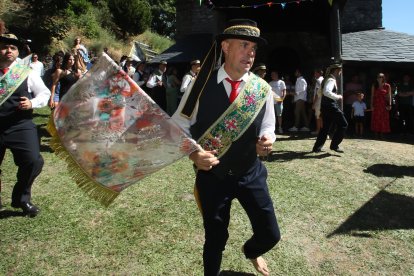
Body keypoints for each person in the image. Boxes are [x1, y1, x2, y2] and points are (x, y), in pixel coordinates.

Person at [172, 19, 280, 276]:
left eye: (253, 48)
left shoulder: (261, 89)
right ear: (226, 47)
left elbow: (268, 125)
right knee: (215, 239)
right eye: (244, 45)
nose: (250, 53)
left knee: (270, 234)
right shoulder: (199, 85)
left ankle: (252, 251)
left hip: (250, 172)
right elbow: (177, 126)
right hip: (213, 177)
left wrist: (267, 139)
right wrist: (194, 153)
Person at [0, 34, 51, 216]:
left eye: (13, 48)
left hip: (19, 124)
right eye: (5, 47)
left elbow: (44, 94)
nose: (8, 51)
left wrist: (32, 103)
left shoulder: (26, 72)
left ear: (18, 52)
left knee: (33, 161)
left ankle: (22, 198)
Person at [312, 61, 347, 153]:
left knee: (325, 127)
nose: (340, 72)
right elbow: (326, 92)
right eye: (340, 70)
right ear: (336, 70)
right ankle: (334, 145)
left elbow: (320, 93)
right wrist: (338, 97)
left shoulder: (326, 79)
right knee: (343, 124)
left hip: (325, 106)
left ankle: (317, 148)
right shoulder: (331, 80)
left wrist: (320, 107)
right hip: (331, 106)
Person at [370, 73, 391, 138]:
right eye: (378, 77)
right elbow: (372, 96)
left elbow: (389, 96)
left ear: (383, 78)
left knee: (383, 119)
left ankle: (382, 133)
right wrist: (371, 105)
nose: (379, 78)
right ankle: (376, 133)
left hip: (384, 105)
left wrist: (390, 104)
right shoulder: (374, 85)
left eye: (381, 77)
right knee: (376, 118)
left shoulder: (387, 86)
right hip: (376, 104)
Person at [311, 68, 324, 135]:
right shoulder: (324, 80)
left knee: (318, 117)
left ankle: (319, 131)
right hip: (323, 101)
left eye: (315, 73)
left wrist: (314, 103)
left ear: (319, 73)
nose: (314, 74)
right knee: (321, 117)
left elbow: (317, 93)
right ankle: (321, 131)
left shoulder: (318, 80)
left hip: (319, 101)